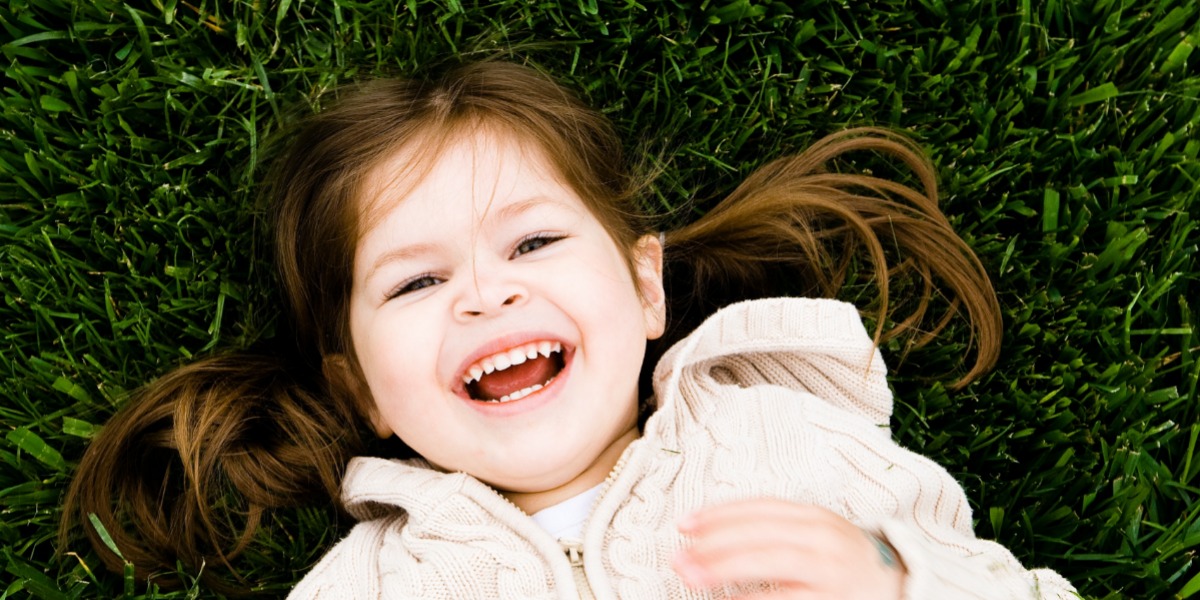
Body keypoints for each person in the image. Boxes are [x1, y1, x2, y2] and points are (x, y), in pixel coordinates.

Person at [62, 60, 1079, 599]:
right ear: (363, 388)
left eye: (535, 243)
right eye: (416, 282)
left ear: (645, 289)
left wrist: (895, 585)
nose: (484, 296)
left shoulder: (788, 444)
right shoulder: (371, 586)